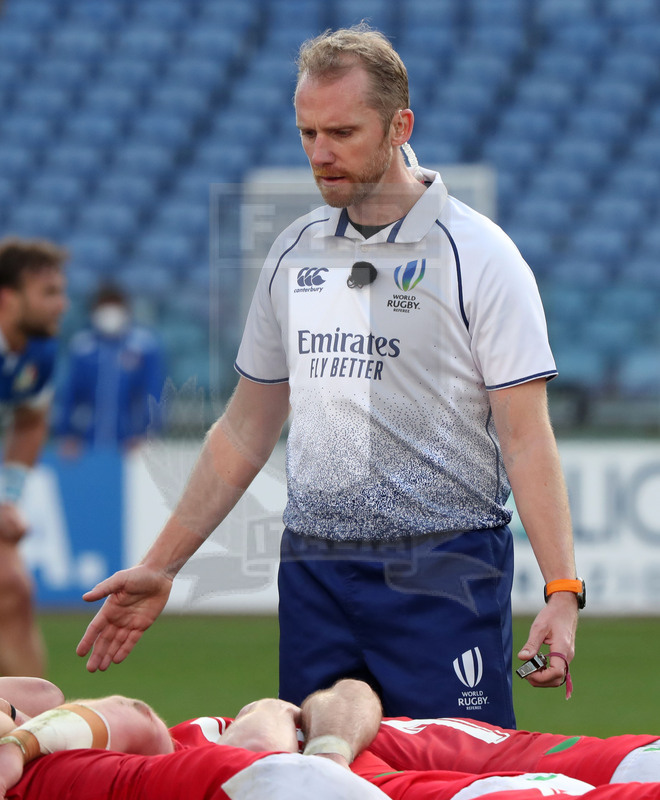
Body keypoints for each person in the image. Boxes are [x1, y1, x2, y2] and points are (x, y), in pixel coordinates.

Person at [76, 25, 580, 727]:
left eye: (341, 132)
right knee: (313, 770)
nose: (319, 153)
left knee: (451, 769)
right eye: (307, 133)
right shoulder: (293, 253)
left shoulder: (481, 256)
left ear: (400, 126)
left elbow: (526, 439)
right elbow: (245, 429)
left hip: (445, 571)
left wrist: (562, 590)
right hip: (313, 573)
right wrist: (162, 565)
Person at [2, 677, 660, 800]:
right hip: (322, 774)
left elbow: (347, 695)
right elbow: (130, 715)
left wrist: (325, 745)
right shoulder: (60, 772)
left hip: (343, 748)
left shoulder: (55, 740)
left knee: (618, 761)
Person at [0, 237, 68, 677]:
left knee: (13, 587)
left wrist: (8, 498)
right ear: (8, 299)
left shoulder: (38, 352)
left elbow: (30, 422)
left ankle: (32, 715)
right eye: (49, 293)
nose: (62, 304)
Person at [55, 283, 165, 453]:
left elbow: (153, 392)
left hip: (131, 442)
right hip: (86, 442)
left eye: (115, 307)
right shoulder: (82, 347)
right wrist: (67, 433)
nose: (109, 313)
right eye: (104, 307)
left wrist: (147, 433)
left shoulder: (144, 346)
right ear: (93, 311)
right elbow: (69, 393)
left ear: (126, 310)